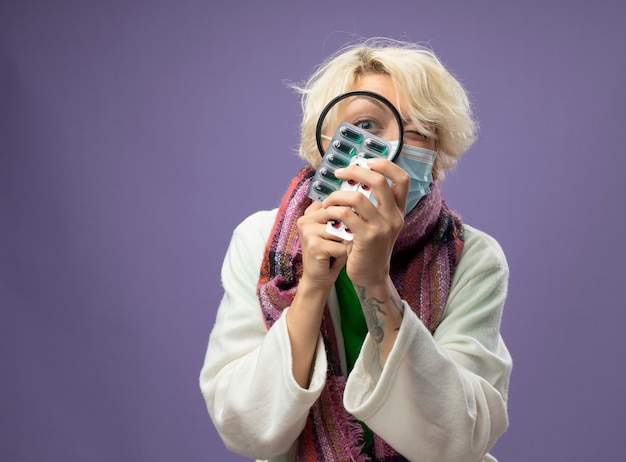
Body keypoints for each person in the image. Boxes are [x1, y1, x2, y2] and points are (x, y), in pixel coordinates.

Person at [199, 38, 512, 462]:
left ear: (438, 157)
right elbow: (247, 429)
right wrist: (312, 285)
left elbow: (457, 439)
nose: (394, 146)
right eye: (364, 126)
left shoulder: (472, 256)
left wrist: (374, 282)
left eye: (419, 128)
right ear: (327, 146)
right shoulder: (259, 240)